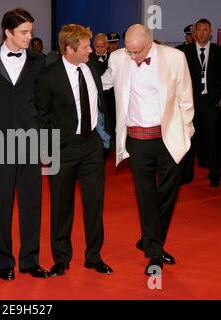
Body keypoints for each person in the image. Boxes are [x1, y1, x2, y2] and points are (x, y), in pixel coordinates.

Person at [101, 24, 194, 275]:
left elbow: (185, 98)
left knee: (166, 193)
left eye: (138, 52)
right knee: (145, 195)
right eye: (129, 52)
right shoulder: (118, 58)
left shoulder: (175, 58)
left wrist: (187, 131)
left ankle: (151, 237)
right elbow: (103, 82)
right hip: (138, 140)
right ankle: (155, 254)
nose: (133, 57)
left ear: (150, 41)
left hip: (169, 138)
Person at [0, 8, 49, 280]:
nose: (30, 37)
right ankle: (3, 261)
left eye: (30, 31)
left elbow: (43, 102)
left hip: (31, 139)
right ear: (8, 32)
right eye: (24, 32)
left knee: (32, 203)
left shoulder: (39, 61)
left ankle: (30, 261)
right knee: (1, 204)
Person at [36, 24, 113, 277]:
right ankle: (61, 258)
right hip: (62, 147)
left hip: (91, 146)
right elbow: (43, 116)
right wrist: (48, 150)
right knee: (61, 206)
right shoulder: (49, 76)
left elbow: (102, 102)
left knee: (94, 203)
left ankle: (94, 256)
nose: (90, 50)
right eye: (86, 46)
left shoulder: (91, 67)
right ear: (69, 49)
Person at [182, 19, 221, 187]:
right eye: (199, 30)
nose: (203, 33)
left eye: (206, 30)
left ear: (210, 32)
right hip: (191, 103)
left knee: (214, 141)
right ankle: (187, 174)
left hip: (211, 104)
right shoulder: (184, 52)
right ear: (194, 33)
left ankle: (214, 175)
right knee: (189, 141)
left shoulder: (219, 52)